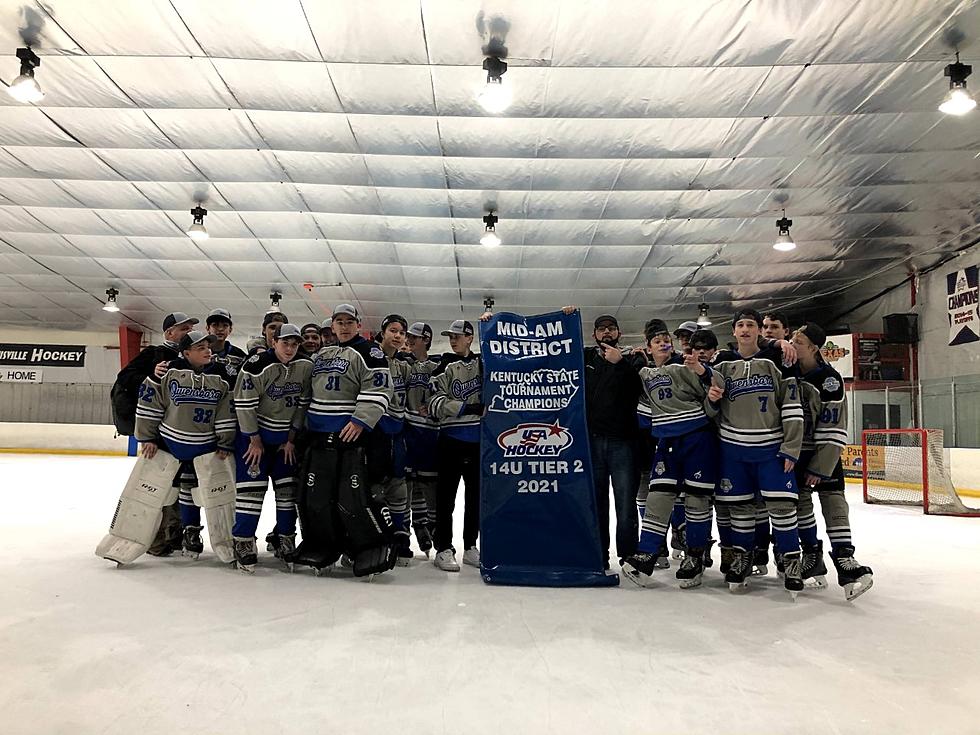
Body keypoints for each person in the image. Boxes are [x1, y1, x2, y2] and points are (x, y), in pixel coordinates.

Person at [703, 309, 806, 598]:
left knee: (783, 508)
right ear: (733, 331)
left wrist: (791, 447)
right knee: (740, 509)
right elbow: (711, 409)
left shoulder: (779, 359)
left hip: (771, 449)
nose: (745, 329)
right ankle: (743, 557)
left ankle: (790, 560)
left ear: (759, 330)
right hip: (733, 449)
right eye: (740, 325)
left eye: (750, 324)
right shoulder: (722, 363)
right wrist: (711, 400)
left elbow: (791, 405)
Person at [296, 303, 394, 576]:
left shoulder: (369, 351)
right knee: (318, 497)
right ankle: (325, 544)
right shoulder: (323, 354)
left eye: (349, 321)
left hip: (350, 436)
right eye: (339, 321)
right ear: (333, 325)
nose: (344, 326)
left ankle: (361, 548)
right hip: (318, 437)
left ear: (357, 324)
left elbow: (380, 387)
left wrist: (360, 420)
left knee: (353, 498)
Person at [620, 320, 716, 589]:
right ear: (648, 349)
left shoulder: (686, 366)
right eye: (657, 341)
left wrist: (705, 377)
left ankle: (695, 555)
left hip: (697, 439)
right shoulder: (645, 375)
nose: (663, 343)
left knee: (697, 500)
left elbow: (713, 389)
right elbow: (642, 415)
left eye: (666, 339)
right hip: (666, 443)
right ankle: (648, 552)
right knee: (658, 497)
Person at [134, 330, 236, 559]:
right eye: (200, 348)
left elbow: (225, 411)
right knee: (176, 491)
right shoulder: (168, 371)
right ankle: (186, 532)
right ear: (186, 352)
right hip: (172, 445)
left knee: (208, 491)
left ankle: (217, 534)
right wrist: (147, 437)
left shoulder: (220, 374)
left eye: (208, 347)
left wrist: (225, 441)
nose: (208, 351)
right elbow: (150, 403)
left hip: (205, 447)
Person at [792, 322, 874, 600]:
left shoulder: (828, 378)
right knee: (800, 503)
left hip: (820, 452)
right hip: (794, 453)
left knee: (833, 498)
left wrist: (821, 464)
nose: (793, 342)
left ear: (814, 348)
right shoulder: (789, 370)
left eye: (799, 340)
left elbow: (834, 423)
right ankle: (811, 556)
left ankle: (844, 558)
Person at [113, 311, 199, 555]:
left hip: (185, 438)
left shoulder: (194, 359)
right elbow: (126, 378)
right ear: (170, 333)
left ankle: (174, 536)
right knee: (158, 489)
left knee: (181, 488)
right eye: (184, 329)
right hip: (160, 439)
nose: (189, 333)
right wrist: (151, 374)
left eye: (191, 328)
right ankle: (154, 538)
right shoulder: (154, 354)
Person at [231, 324, 312, 573]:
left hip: (284, 443)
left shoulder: (305, 366)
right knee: (251, 494)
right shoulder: (256, 365)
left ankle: (286, 538)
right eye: (285, 343)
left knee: (287, 494)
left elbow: (302, 404)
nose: (290, 348)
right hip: (253, 440)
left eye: (294, 344)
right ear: (273, 341)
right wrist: (254, 439)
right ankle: (243, 541)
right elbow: (243, 405)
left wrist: (290, 439)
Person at [581, 312, 642, 569]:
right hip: (592, 442)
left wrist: (621, 364)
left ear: (619, 333)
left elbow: (639, 388)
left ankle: (628, 557)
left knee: (626, 505)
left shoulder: (632, 359)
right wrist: (567, 315)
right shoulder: (585, 359)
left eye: (611, 328)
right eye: (601, 329)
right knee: (596, 503)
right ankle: (598, 554)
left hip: (623, 442)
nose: (607, 332)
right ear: (594, 335)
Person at [427, 319, 483, 572]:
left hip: (479, 443)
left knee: (475, 498)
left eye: (458, 336)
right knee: (445, 499)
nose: (453, 339)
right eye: (451, 336)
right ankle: (443, 548)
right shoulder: (442, 366)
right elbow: (434, 403)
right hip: (450, 440)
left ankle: (470, 546)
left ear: (470, 338)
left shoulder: (484, 363)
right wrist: (467, 408)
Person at [373, 314, 413, 565]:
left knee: (399, 486)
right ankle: (375, 538)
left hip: (396, 432)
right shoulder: (368, 358)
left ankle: (400, 539)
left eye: (401, 332)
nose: (397, 336)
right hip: (373, 431)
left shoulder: (403, 366)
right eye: (393, 331)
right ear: (383, 332)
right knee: (373, 488)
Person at [403, 322, 439, 556]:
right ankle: (412, 529)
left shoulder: (437, 366)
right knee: (408, 483)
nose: (409, 340)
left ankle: (432, 529)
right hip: (407, 430)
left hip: (429, 432)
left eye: (414, 337)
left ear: (425, 339)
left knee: (428, 484)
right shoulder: (404, 365)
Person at [206, 308, 246, 376]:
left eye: (225, 325)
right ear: (208, 328)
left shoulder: (239, 356)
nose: (220, 329)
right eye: (215, 325)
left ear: (230, 330)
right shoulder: (199, 352)